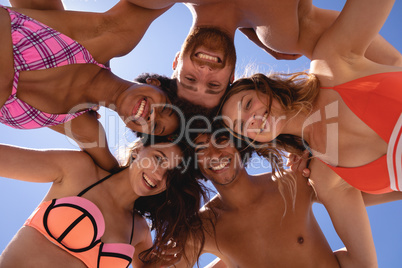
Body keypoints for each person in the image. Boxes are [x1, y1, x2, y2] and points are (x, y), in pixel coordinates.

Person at [221, 0, 401, 266]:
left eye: (248, 104)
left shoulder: (331, 61)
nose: (253, 119)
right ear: (255, 141)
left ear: (264, 86)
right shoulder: (325, 177)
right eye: (241, 126)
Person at [172, 131, 402, 267]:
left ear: (239, 145)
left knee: (323, 168)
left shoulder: (291, 181)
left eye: (222, 140)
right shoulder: (202, 228)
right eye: (201, 149)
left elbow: (352, 194)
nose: (215, 154)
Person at [0, 0, 179, 172]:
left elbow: (116, 178)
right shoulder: (113, 34)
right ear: (155, 83)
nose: (152, 116)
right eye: (164, 107)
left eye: (155, 127)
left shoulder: (83, 127)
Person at [127, 0, 402, 109]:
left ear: (176, 61)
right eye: (213, 85)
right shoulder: (284, 34)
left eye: (189, 79)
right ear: (231, 76)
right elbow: (391, 66)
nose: (205, 73)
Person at [0, 136, 207, 268]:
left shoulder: (140, 231)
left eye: (171, 174)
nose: (159, 175)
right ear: (137, 150)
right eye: (158, 159)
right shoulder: (79, 170)